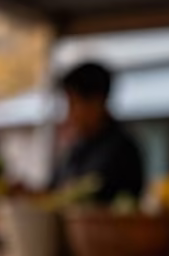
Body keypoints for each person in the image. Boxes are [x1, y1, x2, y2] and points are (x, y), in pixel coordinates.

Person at [50, 62, 143, 203]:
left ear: (97, 101)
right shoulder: (76, 149)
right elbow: (54, 191)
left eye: (73, 103)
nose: (69, 114)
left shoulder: (121, 151)